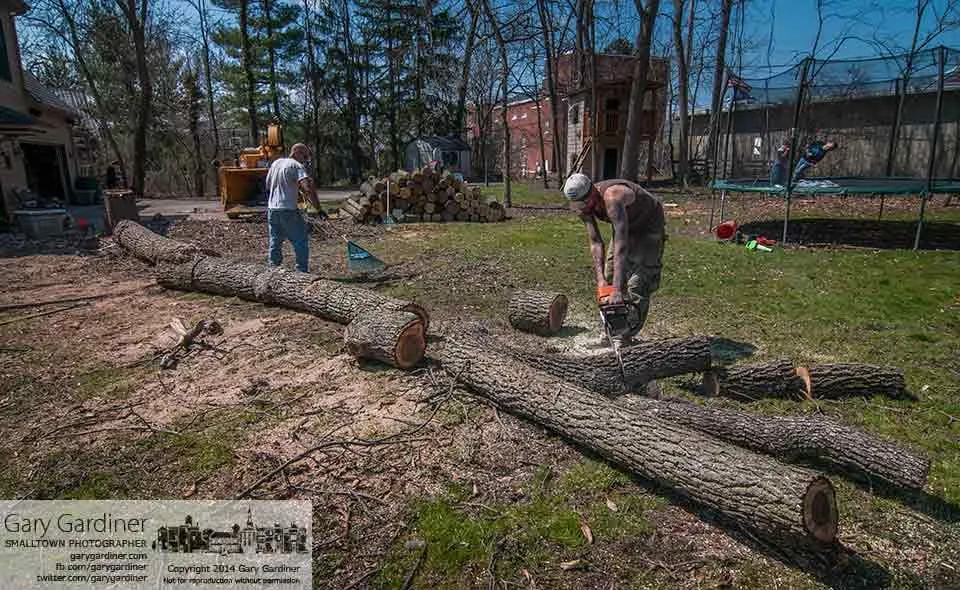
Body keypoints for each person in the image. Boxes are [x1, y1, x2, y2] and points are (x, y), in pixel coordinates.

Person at [563, 173, 666, 346]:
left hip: (648, 227)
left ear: (593, 192)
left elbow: (621, 244)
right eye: (580, 205)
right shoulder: (581, 205)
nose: (585, 208)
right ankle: (613, 329)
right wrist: (601, 280)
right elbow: (595, 242)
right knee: (609, 279)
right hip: (623, 226)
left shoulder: (612, 198)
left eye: (586, 203)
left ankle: (626, 333)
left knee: (637, 283)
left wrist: (618, 289)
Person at [265, 143, 320, 273]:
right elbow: (307, 187)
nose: (306, 159)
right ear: (296, 152)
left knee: (275, 241)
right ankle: (301, 272)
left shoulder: (276, 163)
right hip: (288, 209)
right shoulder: (296, 166)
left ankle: (272, 269)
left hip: (272, 209)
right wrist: (318, 208)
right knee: (300, 239)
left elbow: (268, 185)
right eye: (305, 156)